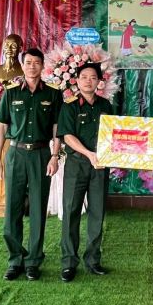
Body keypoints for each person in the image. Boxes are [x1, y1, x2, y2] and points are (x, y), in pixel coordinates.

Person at [0, 48, 62, 281]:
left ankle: (33, 260)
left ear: (43, 66)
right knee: (12, 208)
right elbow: (1, 127)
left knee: (37, 209)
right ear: (22, 66)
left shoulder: (53, 94)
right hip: (16, 154)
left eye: (36, 63)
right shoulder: (11, 93)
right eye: (28, 62)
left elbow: (56, 129)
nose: (32, 66)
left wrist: (55, 156)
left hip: (42, 155)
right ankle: (15, 259)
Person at [57, 62, 113, 282]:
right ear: (77, 81)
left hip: (100, 167)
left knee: (97, 213)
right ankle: (69, 262)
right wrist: (89, 154)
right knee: (71, 212)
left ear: (99, 81)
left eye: (93, 77)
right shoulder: (69, 106)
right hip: (77, 165)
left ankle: (93, 260)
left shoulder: (106, 106)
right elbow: (67, 136)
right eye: (84, 77)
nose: (89, 81)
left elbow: (115, 134)